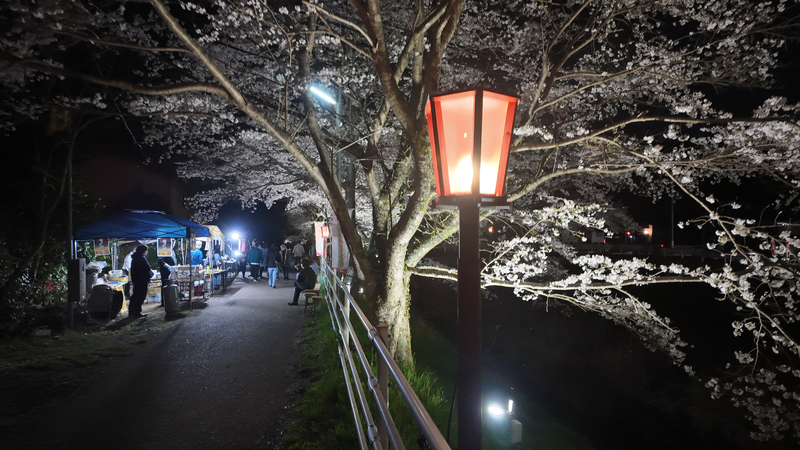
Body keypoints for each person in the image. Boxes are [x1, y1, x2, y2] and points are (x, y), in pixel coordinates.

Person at [129, 245, 152, 318]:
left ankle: (132, 311)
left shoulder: (135, 258)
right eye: (146, 250)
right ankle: (137, 312)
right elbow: (147, 268)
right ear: (143, 251)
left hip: (136, 279)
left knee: (135, 295)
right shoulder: (141, 258)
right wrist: (150, 272)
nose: (147, 252)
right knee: (140, 296)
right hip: (141, 280)